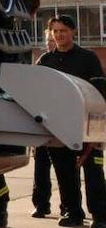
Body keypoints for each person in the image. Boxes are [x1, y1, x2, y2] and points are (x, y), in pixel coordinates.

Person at [39, 14, 106, 228]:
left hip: (87, 127)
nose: (59, 35)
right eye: (55, 31)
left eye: (63, 31)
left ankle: (100, 216)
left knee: (94, 174)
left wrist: (99, 130)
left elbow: (100, 92)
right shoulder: (45, 61)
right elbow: (36, 93)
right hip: (57, 128)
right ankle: (73, 213)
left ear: (73, 32)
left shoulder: (88, 58)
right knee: (65, 174)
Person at [34, 26, 65, 219]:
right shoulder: (43, 61)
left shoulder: (68, 61)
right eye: (48, 42)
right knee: (41, 168)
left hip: (61, 123)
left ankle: (66, 205)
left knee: (65, 169)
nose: (50, 44)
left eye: (51, 41)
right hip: (42, 123)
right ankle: (41, 204)